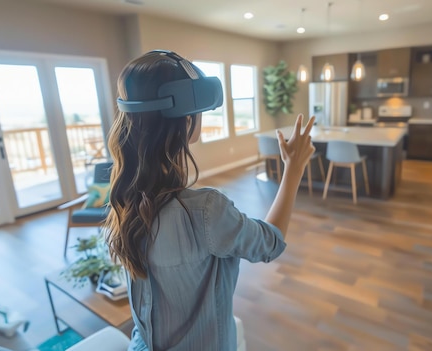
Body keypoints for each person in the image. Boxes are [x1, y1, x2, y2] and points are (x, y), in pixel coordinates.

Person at [105, 50, 316, 351]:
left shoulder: (124, 201)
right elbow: (270, 243)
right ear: (187, 120)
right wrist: (293, 169)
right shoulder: (205, 211)